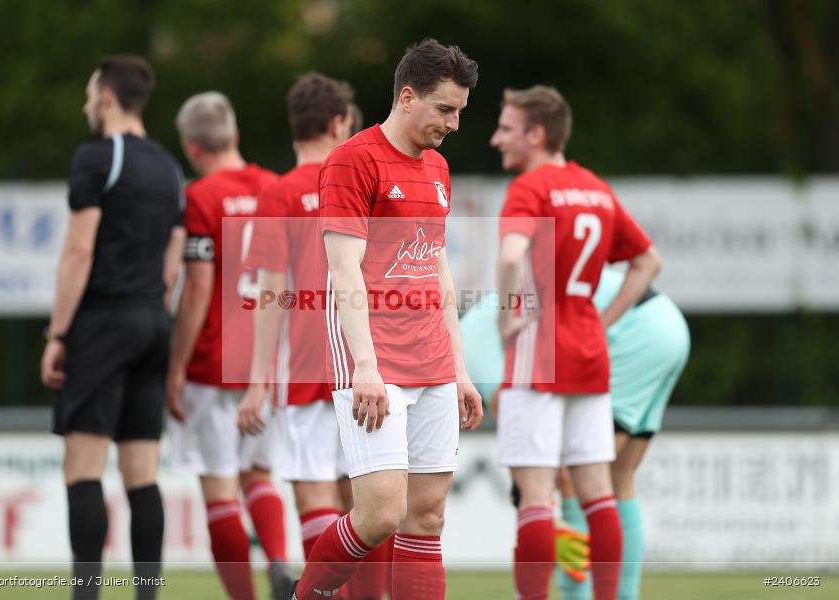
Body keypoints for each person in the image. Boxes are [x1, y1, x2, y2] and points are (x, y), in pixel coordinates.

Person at [289, 39, 483, 600]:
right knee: (379, 515)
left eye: (459, 112)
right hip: (376, 360)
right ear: (407, 96)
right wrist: (366, 368)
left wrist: (459, 369)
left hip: (434, 362)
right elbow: (343, 270)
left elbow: (438, 270)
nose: (453, 124)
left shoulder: (438, 167)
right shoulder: (352, 160)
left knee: (427, 518)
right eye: (445, 109)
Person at [491, 85, 662, 600]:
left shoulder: (530, 187)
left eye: (506, 128)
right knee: (599, 495)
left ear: (536, 135)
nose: (496, 138)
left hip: (539, 351)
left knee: (536, 497)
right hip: (589, 352)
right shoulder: (595, 188)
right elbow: (648, 262)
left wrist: (506, 317)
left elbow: (510, 255)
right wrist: (602, 321)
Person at [239, 72, 389, 600]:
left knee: (314, 497)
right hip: (367, 363)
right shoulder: (365, 183)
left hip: (304, 368)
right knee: (369, 501)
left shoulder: (278, 193)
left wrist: (257, 382)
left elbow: (270, 296)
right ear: (339, 122)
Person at [40, 55, 185, 600]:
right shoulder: (169, 168)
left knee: (83, 470)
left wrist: (58, 334)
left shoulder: (98, 157)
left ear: (105, 96)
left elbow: (78, 252)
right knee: (141, 475)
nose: (85, 104)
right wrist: (153, 313)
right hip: (152, 322)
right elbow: (172, 264)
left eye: (88, 94)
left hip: (103, 323)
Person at [460, 265, 691, 599]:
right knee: (618, 479)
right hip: (666, 323)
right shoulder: (482, 321)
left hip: (633, 335)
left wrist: (537, 507)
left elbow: (520, 428)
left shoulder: (470, 346)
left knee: (579, 476)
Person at [167, 91, 290, 599]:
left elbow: (197, 289)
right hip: (268, 359)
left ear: (192, 147)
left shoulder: (199, 197)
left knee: (219, 489)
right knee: (259, 475)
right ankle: (279, 560)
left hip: (214, 361)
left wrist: (176, 367)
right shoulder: (275, 186)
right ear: (235, 134)